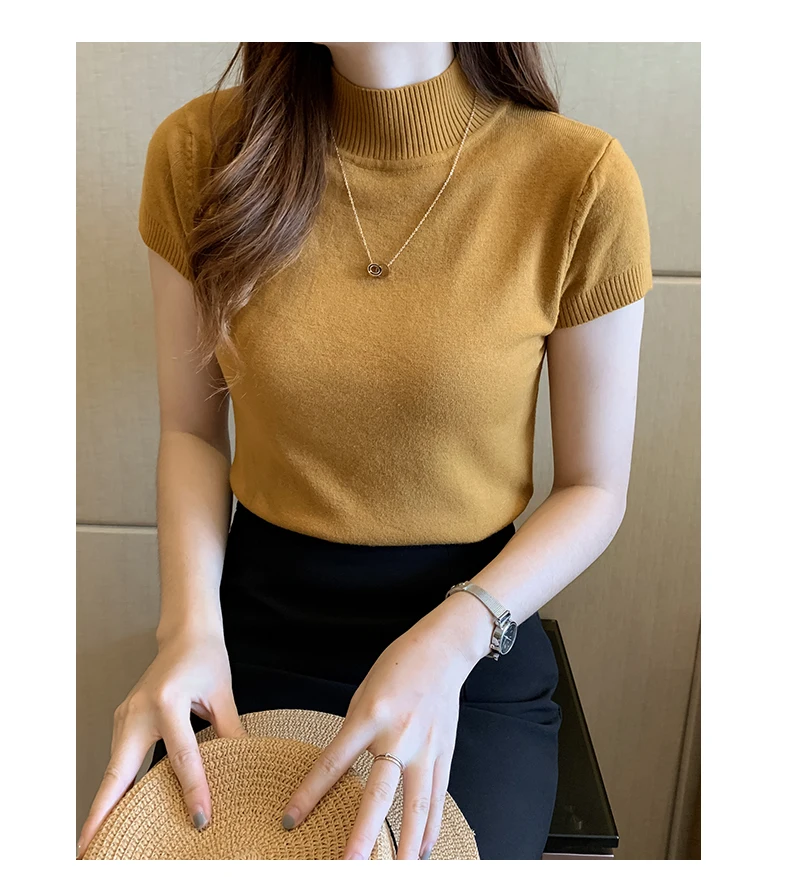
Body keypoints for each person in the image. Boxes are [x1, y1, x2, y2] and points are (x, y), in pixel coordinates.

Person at [77, 41, 652, 861]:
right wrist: (186, 628)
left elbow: (595, 488)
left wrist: (455, 636)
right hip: (256, 627)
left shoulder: (580, 180)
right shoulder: (200, 154)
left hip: (469, 631)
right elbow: (191, 432)